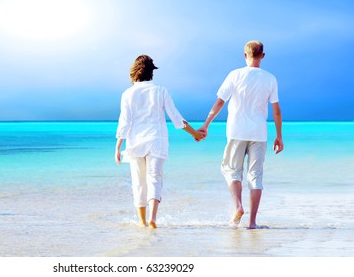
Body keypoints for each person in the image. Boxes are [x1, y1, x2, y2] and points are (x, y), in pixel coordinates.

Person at [198, 41, 284, 229]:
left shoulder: (235, 75)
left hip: (236, 131)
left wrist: (206, 125)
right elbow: (276, 110)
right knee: (256, 176)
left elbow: (220, 102)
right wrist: (279, 136)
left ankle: (238, 205)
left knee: (231, 170)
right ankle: (252, 223)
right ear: (263, 55)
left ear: (245, 55)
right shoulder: (270, 78)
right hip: (259, 133)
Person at [115, 55, 203, 229]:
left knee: (138, 182)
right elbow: (177, 119)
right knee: (155, 179)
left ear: (134, 72)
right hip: (157, 140)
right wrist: (195, 133)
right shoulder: (161, 91)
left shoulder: (127, 94)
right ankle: (153, 219)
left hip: (136, 142)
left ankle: (142, 222)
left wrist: (118, 147)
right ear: (151, 72)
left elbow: (124, 122)